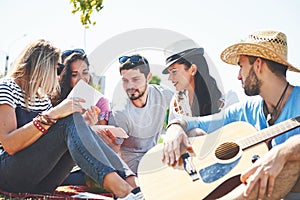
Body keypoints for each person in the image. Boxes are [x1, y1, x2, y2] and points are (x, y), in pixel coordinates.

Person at [162, 30, 300, 199]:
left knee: (293, 162)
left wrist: (284, 151)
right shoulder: (248, 109)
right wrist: (175, 127)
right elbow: (199, 123)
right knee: (195, 134)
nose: (238, 76)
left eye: (241, 66)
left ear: (258, 65)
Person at [0, 39, 144, 200]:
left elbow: (52, 142)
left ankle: (133, 186)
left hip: (41, 179)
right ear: (42, 66)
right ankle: (124, 191)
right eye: (57, 69)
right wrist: (54, 114)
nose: (58, 75)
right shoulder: (7, 88)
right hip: (10, 175)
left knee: (75, 121)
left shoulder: (42, 98)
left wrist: (84, 126)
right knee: (70, 120)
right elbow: (10, 145)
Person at [106, 54, 173, 174]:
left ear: (148, 78)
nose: (130, 86)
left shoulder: (163, 95)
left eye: (135, 79)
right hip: (133, 167)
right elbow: (113, 153)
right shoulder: (120, 112)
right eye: (125, 80)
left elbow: (187, 110)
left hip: (155, 157)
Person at [162, 39, 239, 123]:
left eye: (174, 72)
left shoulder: (227, 97)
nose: (170, 78)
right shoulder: (177, 102)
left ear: (193, 69)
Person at [52, 49, 110, 125]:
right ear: (66, 77)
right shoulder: (54, 99)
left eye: (85, 72)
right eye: (74, 75)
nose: (81, 79)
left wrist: (91, 125)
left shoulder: (100, 102)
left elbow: (104, 134)